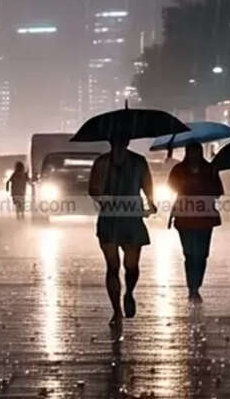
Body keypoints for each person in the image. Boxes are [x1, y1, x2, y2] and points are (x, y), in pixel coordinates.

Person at [89, 135, 157, 325]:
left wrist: (151, 203)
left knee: (131, 266)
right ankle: (116, 310)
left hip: (130, 219)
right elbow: (92, 189)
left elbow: (147, 186)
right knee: (112, 266)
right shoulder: (102, 163)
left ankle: (129, 292)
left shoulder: (138, 162)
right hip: (111, 220)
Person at [167, 142, 223, 302]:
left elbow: (218, 191)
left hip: (205, 217)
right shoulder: (178, 170)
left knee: (202, 254)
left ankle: (196, 285)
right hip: (185, 217)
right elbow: (171, 186)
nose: (193, 156)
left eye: (196, 153)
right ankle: (192, 287)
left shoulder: (210, 170)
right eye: (191, 153)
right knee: (190, 254)